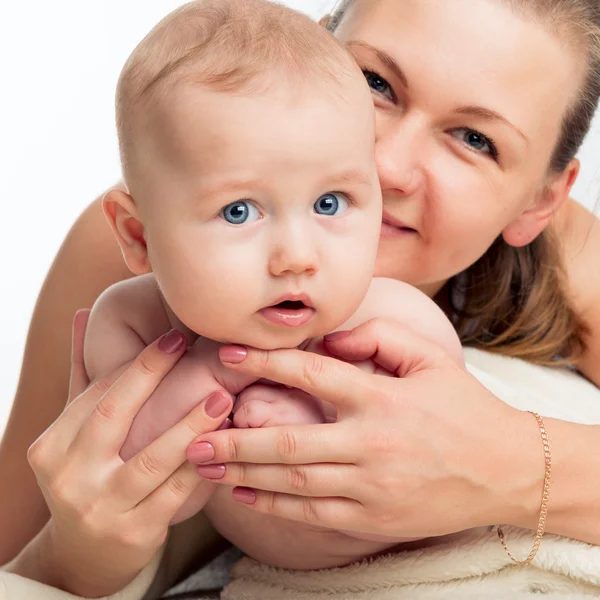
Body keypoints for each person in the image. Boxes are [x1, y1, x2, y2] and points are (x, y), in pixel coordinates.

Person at [1, 0, 600, 596]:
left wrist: (512, 465)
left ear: (539, 202)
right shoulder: (145, 257)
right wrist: (79, 554)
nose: (386, 165)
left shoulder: (575, 274)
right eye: (375, 82)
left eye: (474, 138)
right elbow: (16, 552)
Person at [84, 0, 463, 571]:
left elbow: (440, 468)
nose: (296, 257)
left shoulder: (393, 322)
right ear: (138, 236)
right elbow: (151, 495)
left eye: (330, 203)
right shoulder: (131, 321)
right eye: (239, 211)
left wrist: (309, 420)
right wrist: (211, 374)